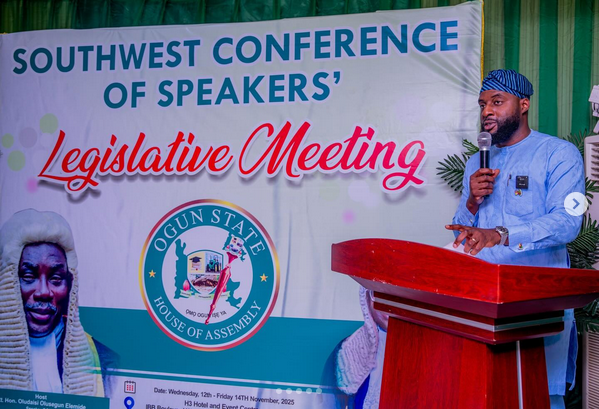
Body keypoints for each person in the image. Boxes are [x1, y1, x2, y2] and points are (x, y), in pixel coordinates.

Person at [445, 69, 584, 408]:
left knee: (538, 394)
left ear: (523, 104)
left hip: (536, 299)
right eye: (482, 104)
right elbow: (461, 233)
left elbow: (568, 223)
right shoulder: (476, 162)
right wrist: (472, 201)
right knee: (484, 391)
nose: (487, 112)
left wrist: (501, 234)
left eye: (497, 102)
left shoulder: (559, 154)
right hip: (483, 301)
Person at [0, 209, 118, 397]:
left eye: (56, 279)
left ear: (70, 285)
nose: (43, 292)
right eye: (28, 276)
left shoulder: (107, 364)